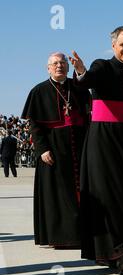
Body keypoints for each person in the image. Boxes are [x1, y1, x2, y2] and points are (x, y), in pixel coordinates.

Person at [69, 26, 123, 275]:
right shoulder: (102, 65)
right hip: (102, 140)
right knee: (106, 194)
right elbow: (86, 81)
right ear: (113, 45)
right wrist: (81, 71)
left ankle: (116, 252)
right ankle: (116, 251)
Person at [21, 52, 90, 248]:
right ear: (48, 68)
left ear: (68, 67)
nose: (59, 66)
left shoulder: (78, 88)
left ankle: (80, 234)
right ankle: (59, 237)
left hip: (78, 145)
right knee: (56, 194)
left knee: (81, 190)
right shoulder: (39, 91)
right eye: (55, 63)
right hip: (53, 148)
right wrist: (42, 149)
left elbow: (88, 118)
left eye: (62, 63)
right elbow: (35, 126)